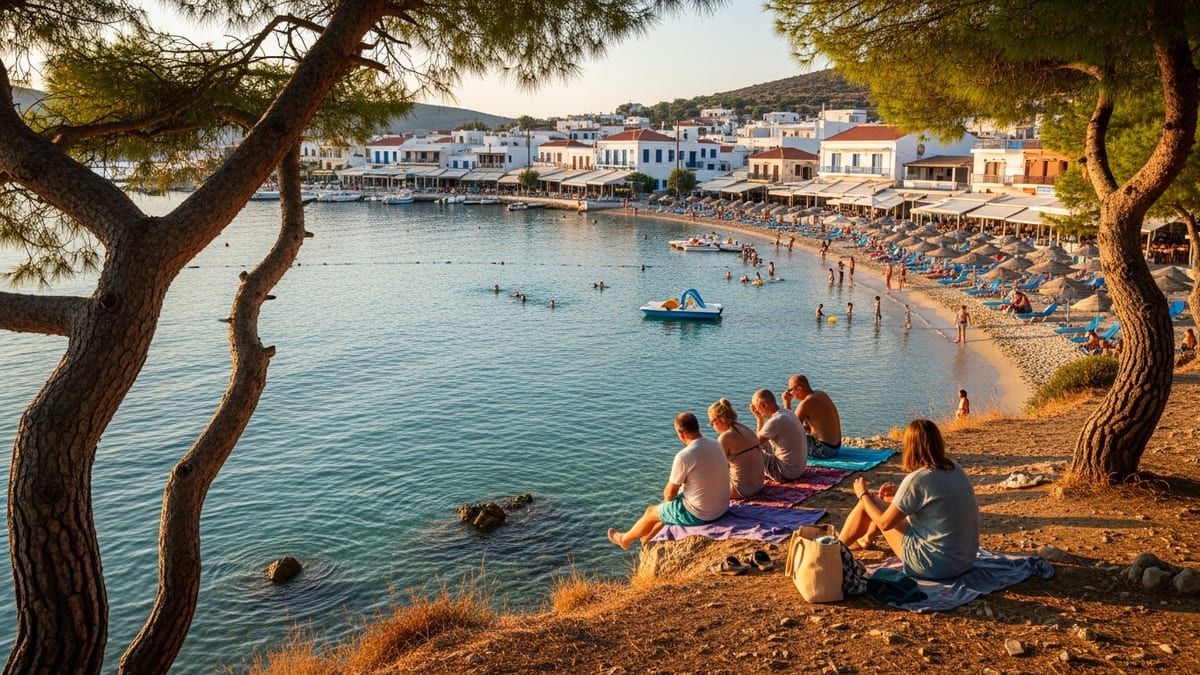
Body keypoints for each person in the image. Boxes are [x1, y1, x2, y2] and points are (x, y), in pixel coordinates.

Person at [838, 419, 979, 580]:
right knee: (878, 502)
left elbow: (884, 523)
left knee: (868, 502)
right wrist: (900, 495)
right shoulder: (955, 468)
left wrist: (862, 494)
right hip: (964, 561)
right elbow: (934, 498)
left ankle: (834, 549)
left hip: (934, 566)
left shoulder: (917, 479)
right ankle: (865, 540)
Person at [607, 412, 730, 549]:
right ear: (697, 427)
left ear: (680, 433)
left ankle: (624, 539)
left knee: (651, 511)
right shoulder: (716, 443)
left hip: (703, 514)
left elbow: (669, 494)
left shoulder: (685, 455)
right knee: (669, 508)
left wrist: (668, 497)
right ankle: (647, 538)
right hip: (722, 507)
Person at [708, 398, 765, 500]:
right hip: (759, 485)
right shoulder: (744, 428)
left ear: (720, 419)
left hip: (741, 491)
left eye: (712, 422)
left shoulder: (725, 437)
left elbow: (717, 468)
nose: (712, 426)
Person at [750, 389, 808, 481]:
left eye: (757, 408)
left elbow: (754, 444)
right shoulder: (787, 413)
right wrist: (759, 418)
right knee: (765, 440)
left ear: (763, 405)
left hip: (784, 473)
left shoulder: (774, 422)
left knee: (748, 449)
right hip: (799, 470)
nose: (758, 411)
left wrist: (759, 420)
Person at [782, 374, 842, 458]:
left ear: (799, 388)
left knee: (783, 436)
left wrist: (787, 404)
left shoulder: (806, 403)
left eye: (790, 390)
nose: (790, 394)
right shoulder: (821, 394)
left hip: (824, 450)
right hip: (836, 447)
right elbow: (813, 428)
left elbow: (790, 429)